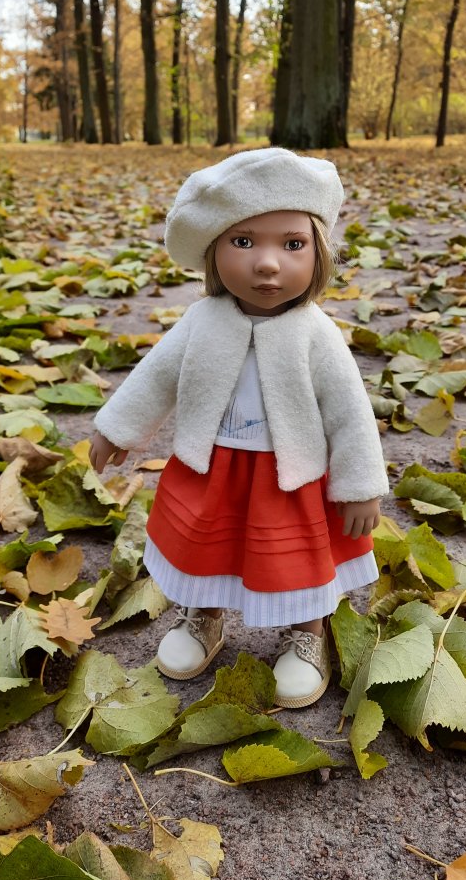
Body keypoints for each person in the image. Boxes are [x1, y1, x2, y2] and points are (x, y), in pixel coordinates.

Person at [89, 147, 389, 708]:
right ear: (213, 251)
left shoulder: (316, 334)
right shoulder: (201, 321)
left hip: (289, 475)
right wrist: (119, 428)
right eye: (244, 242)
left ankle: (307, 631)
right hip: (211, 465)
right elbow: (157, 375)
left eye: (292, 245)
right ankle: (204, 616)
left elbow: (349, 411)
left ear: (318, 253)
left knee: (295, 558)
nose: (268, 264)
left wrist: (360, 484)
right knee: (206, 549)